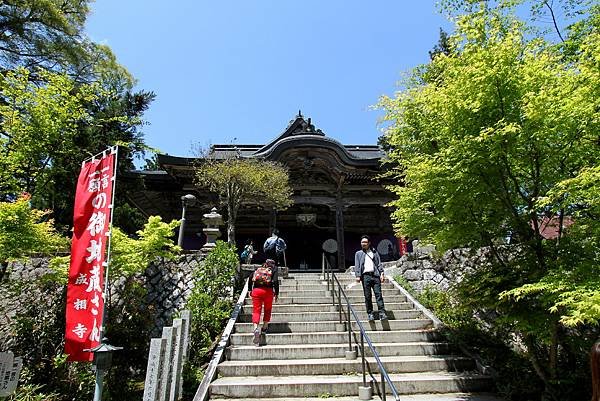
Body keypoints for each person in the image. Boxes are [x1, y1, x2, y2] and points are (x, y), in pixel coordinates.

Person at [353, 235, 387, 321]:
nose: (363, 244)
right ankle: (370, 313)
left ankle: (382, 313)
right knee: (367, 296)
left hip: (375, 275)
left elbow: (379, 264)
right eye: (362, 242)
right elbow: (357, 265)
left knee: (378, 295)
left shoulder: (374, 252)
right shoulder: (358, 253)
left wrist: (382, 274)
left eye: (365, 242)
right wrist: (357, 275)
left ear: (369, 243)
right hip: (365, 276)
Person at [248, 259, 279, 346]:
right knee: (267, 309)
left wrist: (250, 289)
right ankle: (264, 328)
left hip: (257, 291)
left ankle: (255, 329)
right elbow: (276, 281)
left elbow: (250, 278)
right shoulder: (273, 270)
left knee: (256, 310)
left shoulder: (258, 270)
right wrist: (276, 293)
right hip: (268, 292)